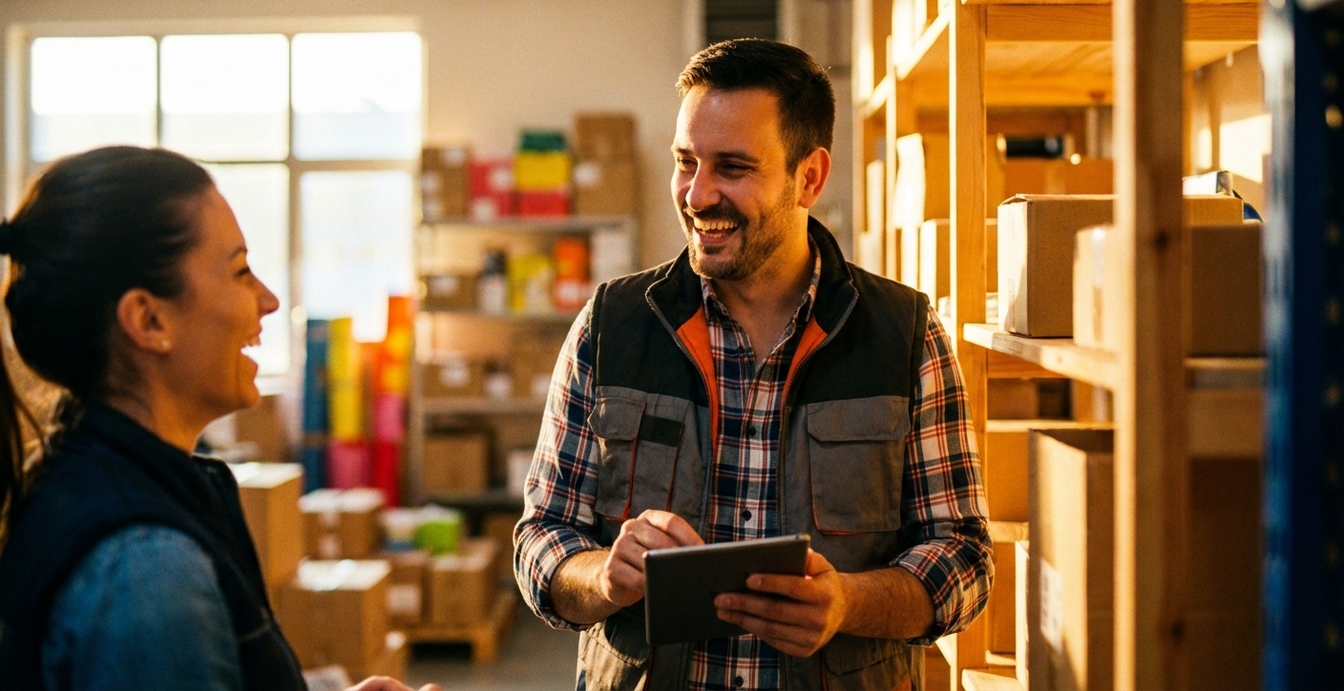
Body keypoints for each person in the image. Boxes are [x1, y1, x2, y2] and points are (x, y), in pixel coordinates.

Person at [514, 39, 994, 690]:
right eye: (686, 162)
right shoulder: (610, 327)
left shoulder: (903, 336)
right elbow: (541, 541)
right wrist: (603, 575)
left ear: (811, 178)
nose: (698, 194)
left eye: (733, 168)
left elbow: (963, 560)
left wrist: (849, 602)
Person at [0, 146, 438, 691]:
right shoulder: (145, 570)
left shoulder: (109, 477)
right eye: (239, 271)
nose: (269, 300)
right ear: (149, 319)